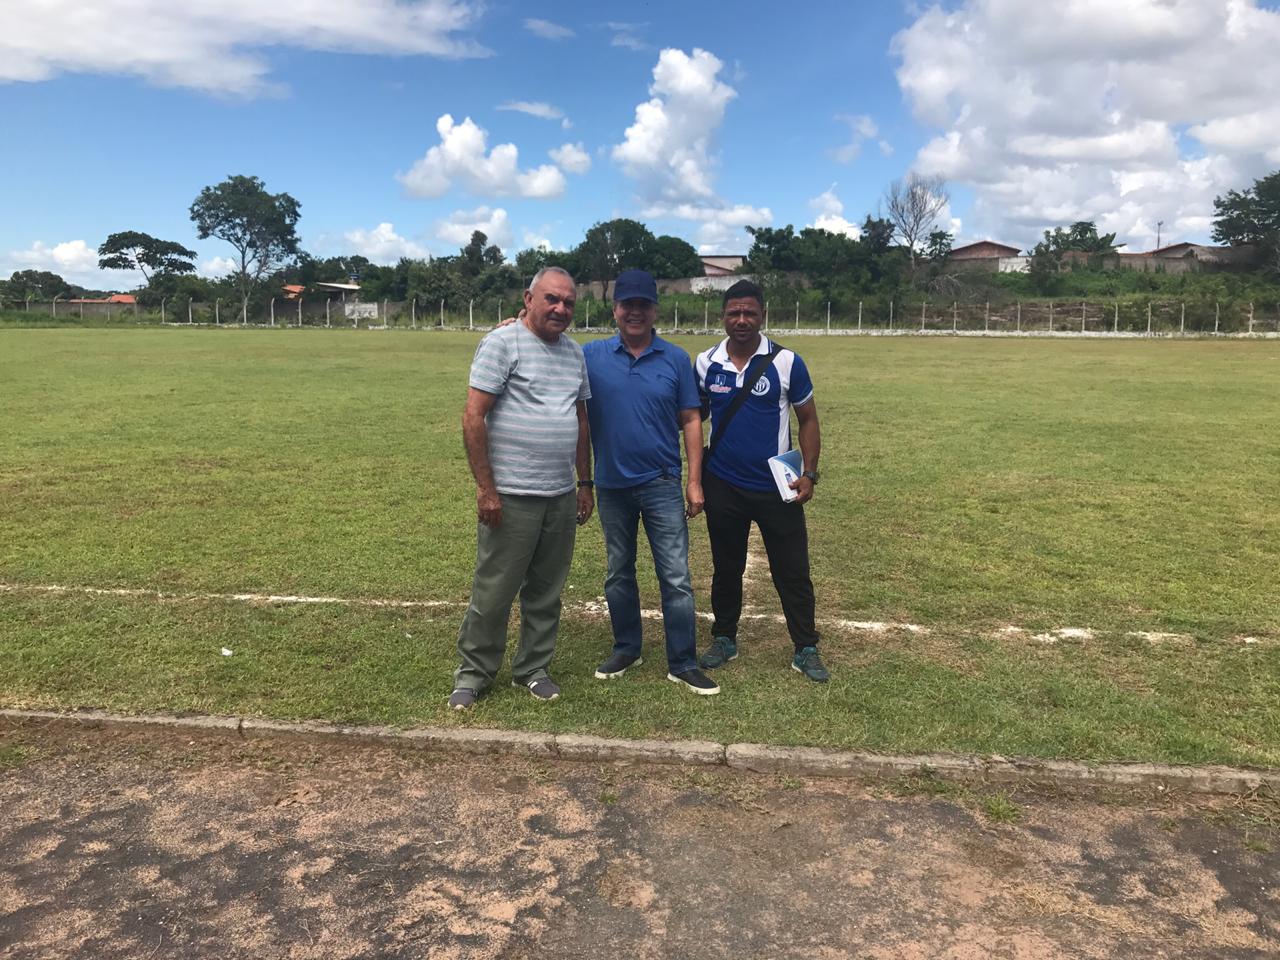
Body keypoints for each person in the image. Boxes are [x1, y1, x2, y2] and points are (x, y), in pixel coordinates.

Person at [450, 266, 595, 710]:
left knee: (546, 591)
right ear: (528, 299)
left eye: (568, 302)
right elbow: (473, 416)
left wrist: (584, 482)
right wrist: (486, 490)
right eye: (551, 299)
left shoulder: (574, 354)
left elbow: (581, 420)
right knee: (494, 590)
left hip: (559, 493)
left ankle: (533, 668)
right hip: (511, 494)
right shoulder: (502, 342)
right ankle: (474, 674)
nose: (560, 308)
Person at [582, 269, 719, 695]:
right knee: (618, 572)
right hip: (611, 484)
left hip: (661, 481)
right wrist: (514, 322)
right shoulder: (590, 356)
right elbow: (544, 350)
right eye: (628, 304)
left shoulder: (676, 359)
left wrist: (694, 482)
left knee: (675, 575)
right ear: (615, 308)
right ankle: (627, 647)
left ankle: (682, 661)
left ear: (655, 309)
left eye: (644, 304)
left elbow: (692, 420)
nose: (635, 312)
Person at [694, 278, 829, 682]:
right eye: (734, 312)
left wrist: (808, 473)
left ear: (762, 315)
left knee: (792, 569)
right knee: (726, 567)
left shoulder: (787, 362)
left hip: (779, 484)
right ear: (722, 316)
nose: (741, 320)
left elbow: (808, 419)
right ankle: (724, 638)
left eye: (749, 312)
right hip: (723, 483)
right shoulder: (705, 363)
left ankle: (805, 646)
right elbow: (691, 419)